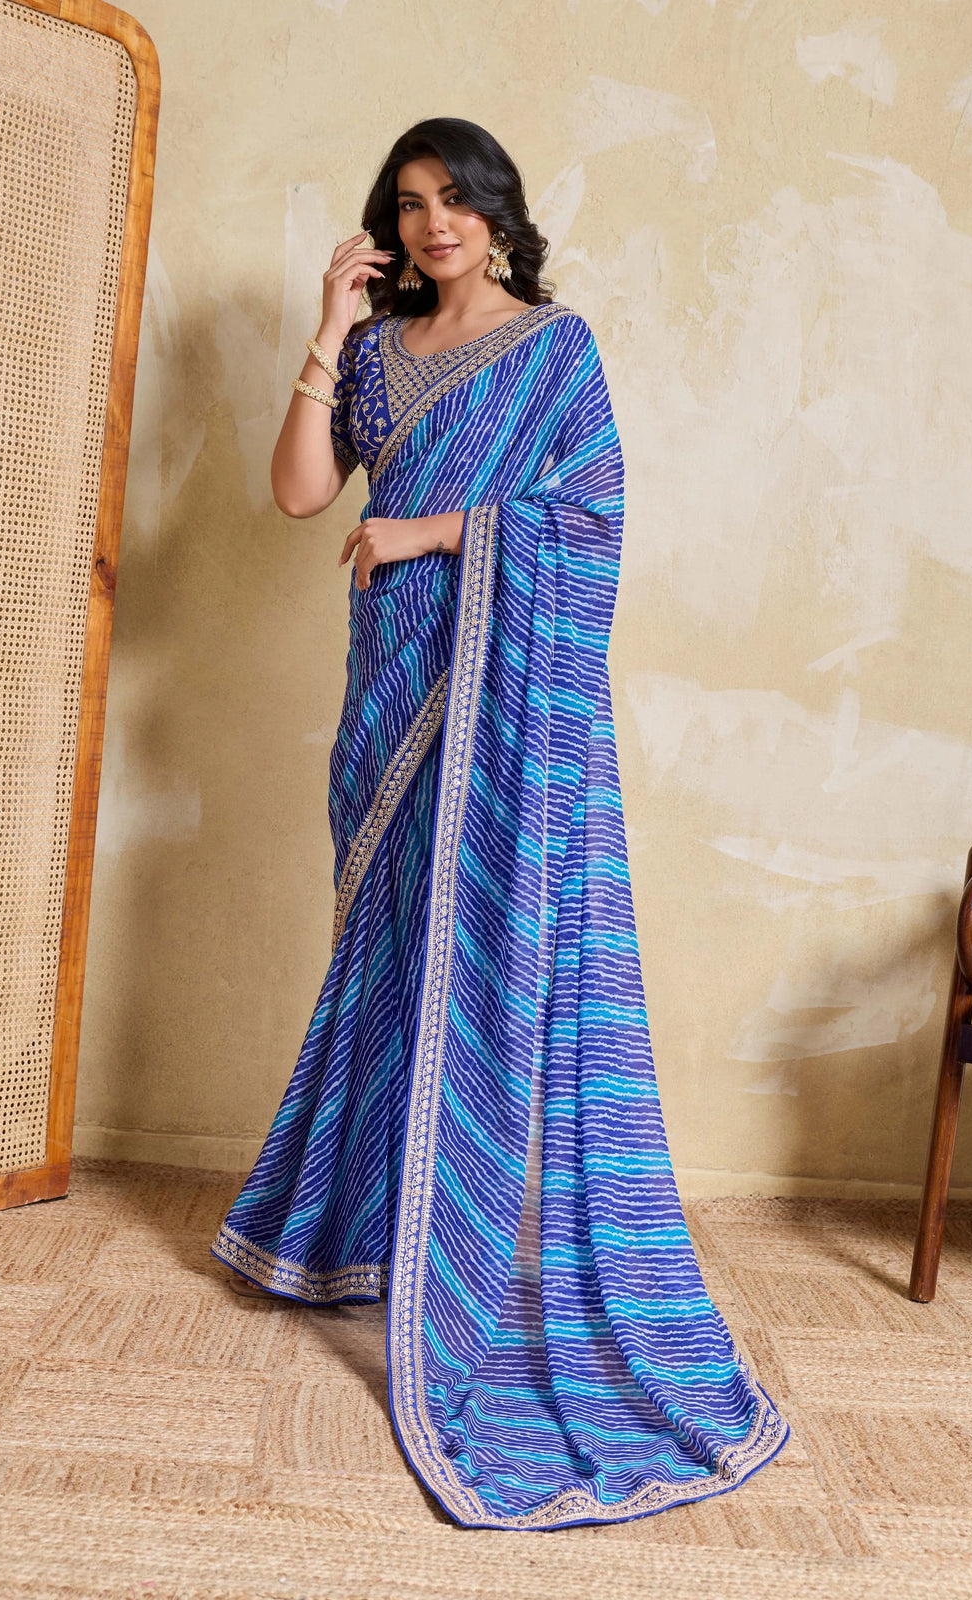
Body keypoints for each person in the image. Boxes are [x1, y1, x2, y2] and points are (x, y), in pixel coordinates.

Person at [210, 117, 787, 1531]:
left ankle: (453, 1264)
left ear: (500, 212)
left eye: (457, 198)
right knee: (385, 960)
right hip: (389, 696)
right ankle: (356, 1233)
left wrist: (428, 531)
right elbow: (297, 493)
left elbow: (589, 521)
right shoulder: (377, 351)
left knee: (477, 961)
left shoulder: (553, 350)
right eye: (410, 203)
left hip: (499, 699)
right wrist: (327, 328)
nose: (434, 223)